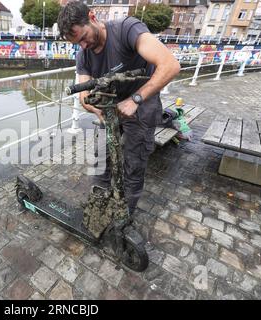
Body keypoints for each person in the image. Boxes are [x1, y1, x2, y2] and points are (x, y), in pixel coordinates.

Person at [57, 1, 180, 215]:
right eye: (78, 43)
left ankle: (124, 212)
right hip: (112, 104)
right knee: (101, 155)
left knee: (134, 159)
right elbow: (85, 95)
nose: (84, 46)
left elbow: (170, 65)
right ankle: (100, 200)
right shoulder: (84, 54)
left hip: (143, 99)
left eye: (84, 37)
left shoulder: (126, 29)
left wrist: (135, 100)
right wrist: (98, 110)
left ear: (92, 17)